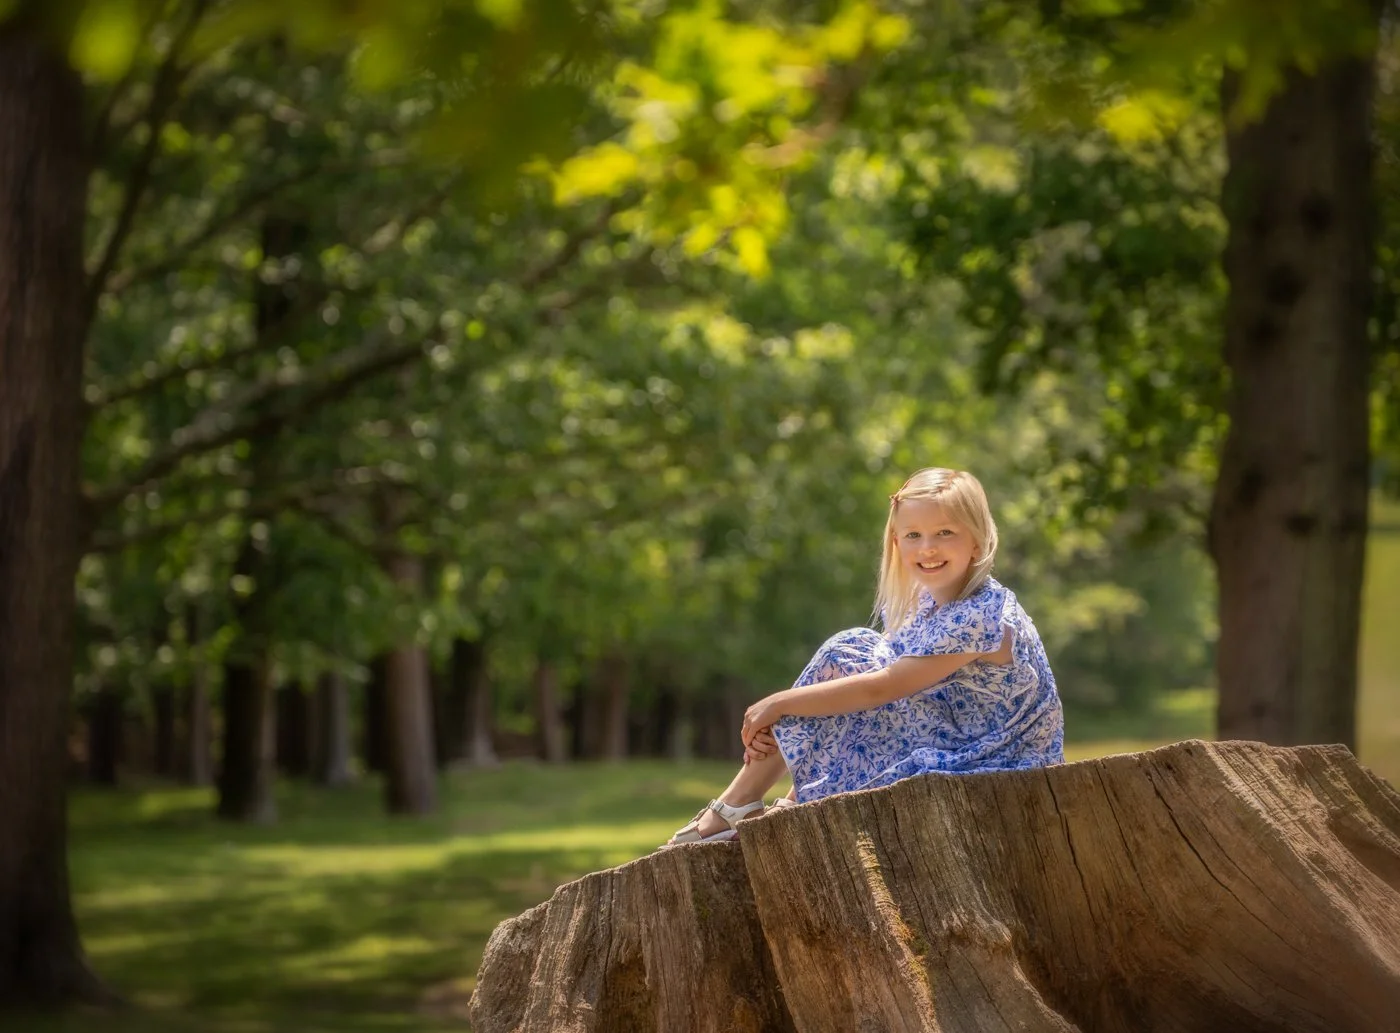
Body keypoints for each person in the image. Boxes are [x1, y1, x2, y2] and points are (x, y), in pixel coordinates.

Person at [666, 466, 1064, 846]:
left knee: (848, 675)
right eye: (912, 535)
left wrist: (778, 704)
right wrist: (785, 717)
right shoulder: (927, 604)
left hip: (998, 758)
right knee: (849, 650)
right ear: (895, 540)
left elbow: (884, 688)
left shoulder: (982, 614)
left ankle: (743, 806)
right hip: (952, 727)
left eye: (945, 532)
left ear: (976, 539)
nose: (927, 548)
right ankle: (753, 800)